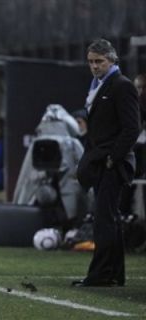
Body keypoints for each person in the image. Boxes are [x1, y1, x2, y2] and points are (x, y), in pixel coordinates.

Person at [73, 39, 140, 287]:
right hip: (102, 162)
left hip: (113, 164)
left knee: (105, 219)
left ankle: (100, 274)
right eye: (91, 61)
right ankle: (114, 274)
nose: (94, 66)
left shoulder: (121, 86)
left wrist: (114, 158)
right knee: (109, 219)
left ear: (112, 60)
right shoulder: (100, 85)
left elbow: (132, 127)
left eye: (99, 61)